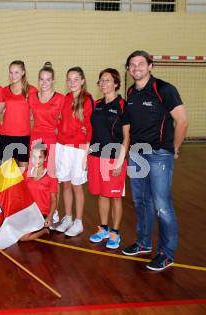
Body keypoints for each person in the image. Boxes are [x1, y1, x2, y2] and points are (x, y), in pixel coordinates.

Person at [121, 50, 188, 271]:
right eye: (132, 64)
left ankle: (167, 253)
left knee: (162, 205)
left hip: (160, 154)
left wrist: (174, 149)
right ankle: (143, 242)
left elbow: (182, 121)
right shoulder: (131, 91)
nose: (136, 67)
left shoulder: (165, 90)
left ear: (151, 66)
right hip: (137, 154)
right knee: (141, 201)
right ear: (129, 69)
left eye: (141, 63)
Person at [88, 68, 130, 250]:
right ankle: (103, 228)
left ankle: (115, 232)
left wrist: (120, 162)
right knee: (101, 194)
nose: (103, 84)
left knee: (115, 197)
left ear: (116, 83)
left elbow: (127, 137)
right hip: (95, 157)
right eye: (101, 81)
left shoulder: (123, 105)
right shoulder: (96, 104)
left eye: (107, 80)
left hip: (114, 158)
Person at [55, 67, 93, 237]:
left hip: (78, 149)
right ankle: (68, 217)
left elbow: (90, 127)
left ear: (83, 80)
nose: (72, 82)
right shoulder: (66, 98)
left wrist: (86, 154)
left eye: (76, 79)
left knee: (77, 186)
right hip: (62, 147)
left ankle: (79, 221)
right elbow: (60, 121)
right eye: (69, 79)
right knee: (66, 184)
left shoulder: (88, 99)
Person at [0, 60, 37, 169]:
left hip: (24, 136)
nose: (13, 75)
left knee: (23, 171)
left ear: (23, 72)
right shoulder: (4, 90)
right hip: (6, 135)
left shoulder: (32, 90)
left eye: (16, 72)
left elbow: (37, 112)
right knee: (5, 172)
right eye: (11, 72)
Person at [28, 62, 64, 176]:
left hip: (52, 139)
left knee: (52, 175)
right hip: (35, 138)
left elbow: (66, 120)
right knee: (35, 173)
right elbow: (27, 118)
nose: (44, 83)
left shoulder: (60, 98)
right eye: (42, 79)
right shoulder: (32, 97)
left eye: (48, 80)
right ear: (38, 80)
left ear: (53, 81)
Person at [20, 143, 58, 241]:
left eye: (40, 157)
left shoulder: (51, 176)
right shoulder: (26, 173)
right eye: (34, 157)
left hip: (41, 213)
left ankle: (45, 230)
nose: (37, 160)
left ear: (45, 158)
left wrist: (49, 217)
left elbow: (54, 200)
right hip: (28, 212)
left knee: (23, 238)